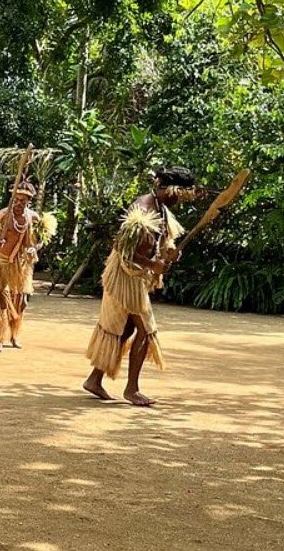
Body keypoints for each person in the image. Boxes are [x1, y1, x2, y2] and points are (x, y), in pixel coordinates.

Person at [82, 167, 202, 406]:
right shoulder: (143, 208)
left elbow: (158, 243)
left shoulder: (162, 210)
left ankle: (94, 380)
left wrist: (168, 254)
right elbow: (123, 248)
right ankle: (132, 389)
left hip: (137, 276)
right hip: (126, 276)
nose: (181, 200)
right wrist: (152, 264)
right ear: (172, 190)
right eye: (181, 195)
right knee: (146, 332)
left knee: (124, 330)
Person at [0, 179, 55, 352]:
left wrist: (33, 248)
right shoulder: (3, 215)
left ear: (28, 201)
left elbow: (42, 241)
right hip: (1, 263)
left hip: (22, 266)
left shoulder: (34, 218)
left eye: (23, 200)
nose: (18, 203)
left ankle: (14, 334)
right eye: (16, 199)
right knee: (2, 300)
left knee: (21, 302)